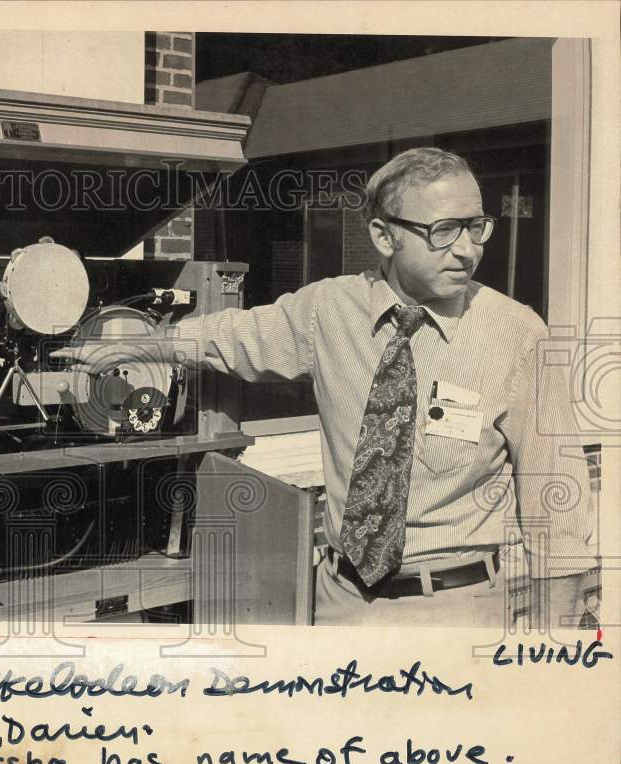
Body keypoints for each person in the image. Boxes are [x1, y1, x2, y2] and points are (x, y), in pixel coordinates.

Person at [58, 147, 599, 628]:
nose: (466, 250)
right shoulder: (330, 310)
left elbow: (558, 494)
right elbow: (233, 335)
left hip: (459, 612)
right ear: (384, 236)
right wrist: (130, 343)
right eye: (442, 231)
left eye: (475, 226)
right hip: (340, 605)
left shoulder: (518, 332)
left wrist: (557, 638)